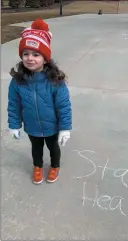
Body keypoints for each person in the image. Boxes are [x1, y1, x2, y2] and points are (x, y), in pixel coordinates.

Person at [7, 18, 72, 185]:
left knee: (53, 148)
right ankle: (37, 166)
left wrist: (65, 128)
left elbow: (63, 106)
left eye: (36, 54)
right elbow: (14, 105)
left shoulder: (55, 80)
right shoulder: (17, 81)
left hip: (52, 126)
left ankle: (55, 166)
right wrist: (14, 124)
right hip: (32, 126)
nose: (30, 58)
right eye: (25, 54)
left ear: (45, 58)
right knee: (36, 149)